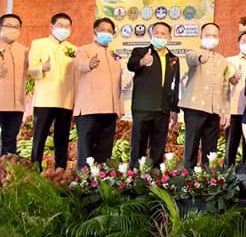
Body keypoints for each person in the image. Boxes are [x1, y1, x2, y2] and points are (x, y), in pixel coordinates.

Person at [127, 22, 180, 166]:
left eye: (163, 33)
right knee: (138, 147)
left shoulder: (174, 59)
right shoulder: (140, 52)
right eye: (156, 33)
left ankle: (155, 175)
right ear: (151, 34)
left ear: (169, 37)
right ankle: (135, 175)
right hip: (143, 109)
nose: (160, 36)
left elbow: (175, 85)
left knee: (158, 148)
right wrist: (142, 62)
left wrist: (174, 109)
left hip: (163, 109)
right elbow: (131, 65)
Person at [29, 13, 76, 168]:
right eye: (60, 25)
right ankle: (35, 169)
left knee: (62, 138)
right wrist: (42, 68)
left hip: (65, 100)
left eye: (67, 26)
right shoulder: (39, 44)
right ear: (51, 26)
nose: (64, 29)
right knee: (40, 137)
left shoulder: (73, 49)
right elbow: (31, 70)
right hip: (45, 99)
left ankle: (60, 169)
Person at [73, 18, 123, 165]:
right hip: (89, 109)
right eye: (103, 30)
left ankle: (101, 177)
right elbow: (78, 64)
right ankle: (83, 177)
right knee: (86, 150)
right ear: (95, 31)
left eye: (110, 31)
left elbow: (118, 83)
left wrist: (119, 107)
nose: (106, 33)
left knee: (105, 150)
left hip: (110, 109)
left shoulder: (113, 54)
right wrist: (89, 64)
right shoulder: (84, 50)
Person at [180, 23, 229, 168]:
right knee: (191, 146)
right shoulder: (193, 52)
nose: (211, 38)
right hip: (194, 107)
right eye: (207, 35)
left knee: (210, 149)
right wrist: (200, 57)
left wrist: (224, 110)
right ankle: (188, 177)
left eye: (214, 36)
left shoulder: (222, 60)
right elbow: (191, 57)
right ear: (201, 36)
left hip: (214, 110)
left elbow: (224, 86)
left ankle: (208, 177)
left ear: (219, 38)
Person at [225, 31, 246, 166]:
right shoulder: (230, 61)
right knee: (231, 146)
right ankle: (227, 173)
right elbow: (225, 84)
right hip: (234, 110)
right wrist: (234, 78)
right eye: (244, 41)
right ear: (238, 43)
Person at [0, 13, 28, 156]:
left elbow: (33, 71)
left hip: (16, 104)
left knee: (10, 141)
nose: (13, 29)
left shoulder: (24, 51)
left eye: (16, 27)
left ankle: (6, 167)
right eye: (9, 26)